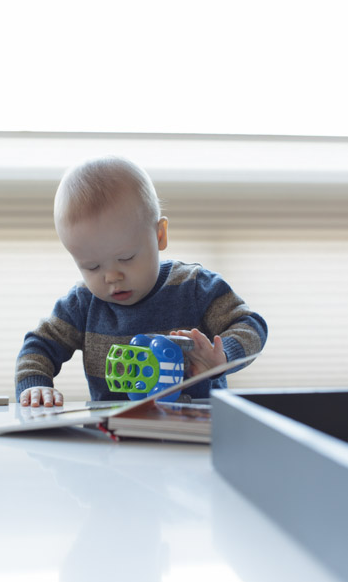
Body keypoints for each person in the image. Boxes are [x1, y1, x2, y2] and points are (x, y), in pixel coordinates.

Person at [15, 156, 267, 407]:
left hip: (196, 433)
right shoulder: (83, 304)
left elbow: (250, 325)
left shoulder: (195, 287)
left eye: (126, 258)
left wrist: (223, 356)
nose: (112, 276)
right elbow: (39, 345)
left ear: (159, 235)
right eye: (91, 266)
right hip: (115, 435)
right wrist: (36, 384)